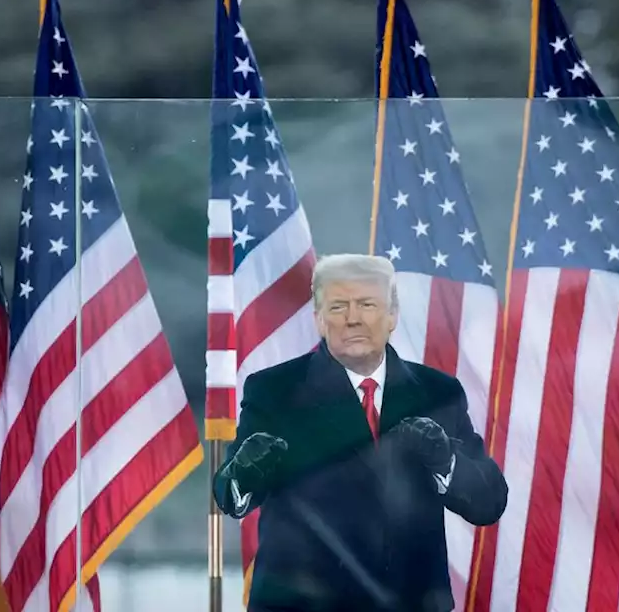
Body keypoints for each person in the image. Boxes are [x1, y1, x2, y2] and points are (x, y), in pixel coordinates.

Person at [213, 253, 508, 612]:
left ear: (392, 316)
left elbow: (489, 502)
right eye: (338, 307)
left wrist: (446, 460)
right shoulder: (275, 390)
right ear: (319, 319)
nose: (353, 319)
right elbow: (230, 497)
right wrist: (245, 470)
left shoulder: (437, 392)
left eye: (367, 304)